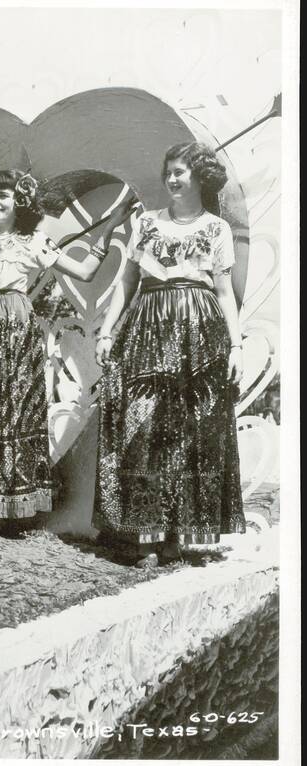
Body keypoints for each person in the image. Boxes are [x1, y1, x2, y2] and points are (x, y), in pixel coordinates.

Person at [0, 169, 133, 534]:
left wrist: (109, 227)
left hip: (16, 337)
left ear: (21, 203)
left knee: (7, 419)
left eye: (5, 195)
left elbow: (85, 271)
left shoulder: (33, 242)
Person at [94, 142, 246, 562]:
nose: (172, 179)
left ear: (200, 176)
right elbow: (126, 281)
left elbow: (224, 292)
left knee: (190, 431)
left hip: (200, 331)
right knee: (144, 427)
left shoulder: (216, 228)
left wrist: (236, 346)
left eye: (180, 171)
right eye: (169, 172)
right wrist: (106, 332)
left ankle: (176, 534)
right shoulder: (146, 222)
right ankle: (145, 534)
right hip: (148, 326)